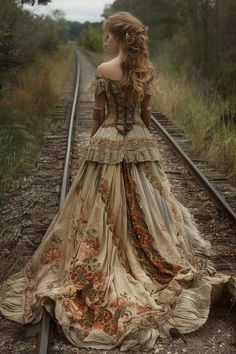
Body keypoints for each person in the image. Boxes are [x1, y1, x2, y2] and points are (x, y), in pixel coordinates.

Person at [0, 11, 231, 351]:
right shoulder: (145, 70)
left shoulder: (104, 70)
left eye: (107, 35)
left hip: (107, 139)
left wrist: (95, 142)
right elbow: (147, 115)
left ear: (120, 37)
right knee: (148, 203)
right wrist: (142, 140)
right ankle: (143, 251)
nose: (105, 39)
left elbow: (97, 112)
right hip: (139, 140)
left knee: (96, 202)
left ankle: (114, 253)